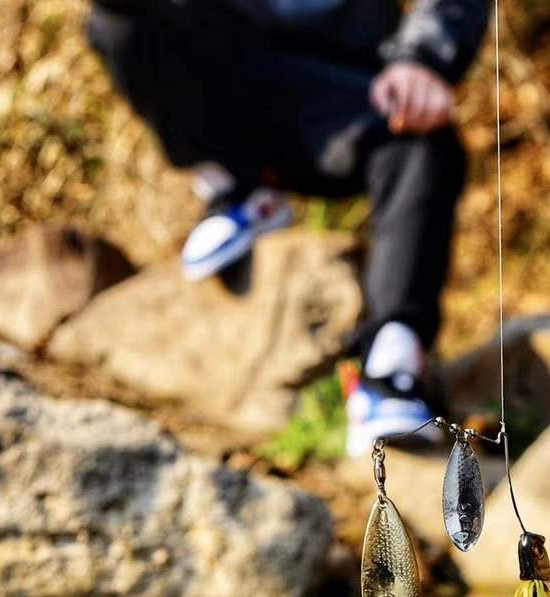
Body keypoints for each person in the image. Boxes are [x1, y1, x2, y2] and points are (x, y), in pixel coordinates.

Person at [86, 0, 491, 455]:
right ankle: (235, 187)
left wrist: (424, 59)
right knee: (120, 17)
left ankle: (391, 366)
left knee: (425, 140)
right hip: (234, 65)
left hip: (356, 89)